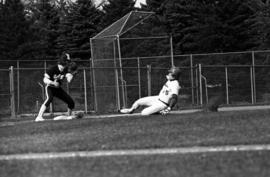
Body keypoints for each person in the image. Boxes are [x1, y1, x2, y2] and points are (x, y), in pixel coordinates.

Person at [35, 53, 78, 122]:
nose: (68, 63)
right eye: (67, 61)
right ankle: (39, 117)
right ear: (64, 61)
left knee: (71, 102)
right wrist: (53, 83)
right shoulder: (53, 69)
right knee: (49, 98)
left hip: (58, 89)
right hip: (50, 87)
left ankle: (69, 116)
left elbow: (69, 80)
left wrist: (72, 75)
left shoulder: (65, 69)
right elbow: (45, 80)